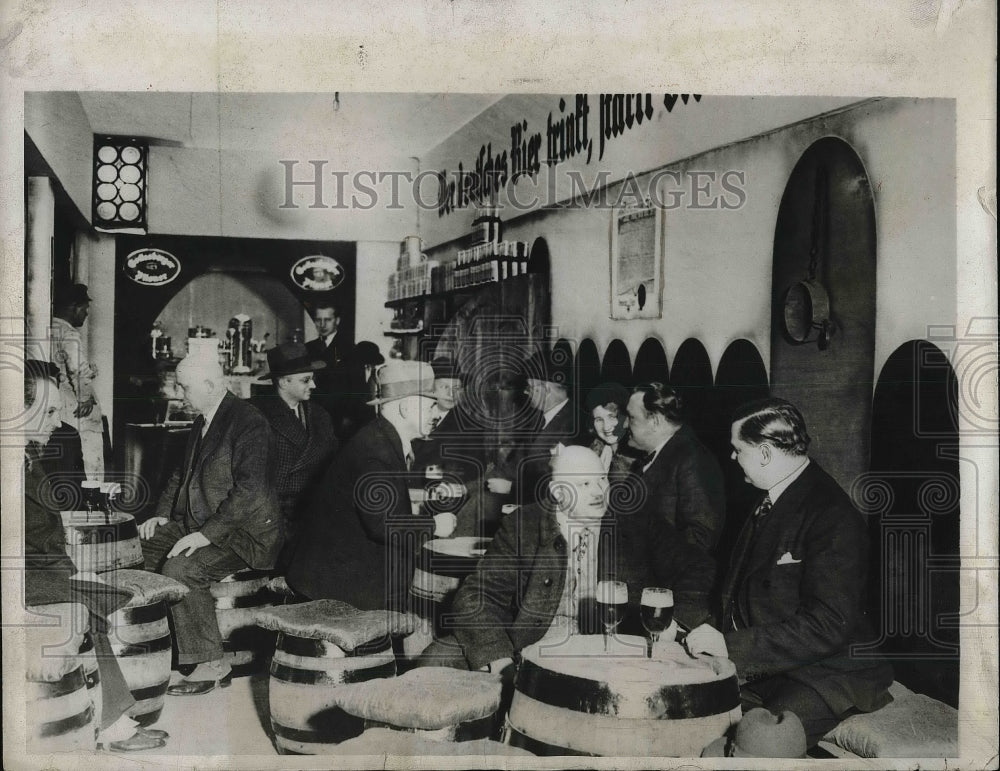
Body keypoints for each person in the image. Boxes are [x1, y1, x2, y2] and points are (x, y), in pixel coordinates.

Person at [684, 398, 893, 748]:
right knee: (688, 715)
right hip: (772, 665)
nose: (733, 458)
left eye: (738, 450)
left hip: (826, 672)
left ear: (765, 453)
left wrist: (730, 645)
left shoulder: (832, 515)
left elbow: (829, 624)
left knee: (759, 743)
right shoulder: (769, 497)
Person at [21, 359, 169, 751]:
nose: (58, 422)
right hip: (18, 578)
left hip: (34, 570)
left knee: (92, 597)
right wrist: (71, 576)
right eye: (49, 411)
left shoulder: (26, 455)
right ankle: (115, 725)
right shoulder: (13, 462)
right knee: (90, 597)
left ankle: (113, 722)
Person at [424, 445, 659, 672]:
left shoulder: (633, 522)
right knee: (437, 658)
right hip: (534, 649)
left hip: (610, 651)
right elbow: (476, 596)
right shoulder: (523, 524)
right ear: (558, 492)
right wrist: (499, 659)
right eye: (585, 483)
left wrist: (678, 625)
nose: (598, 492)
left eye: (602, 479)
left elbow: (692, 566)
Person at [138, 354, 280, 695]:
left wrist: (204, 535)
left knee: (180, 570)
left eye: (185, 387)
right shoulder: (203, 420)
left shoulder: (249, 423)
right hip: (198, 523)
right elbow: (180, 475)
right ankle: (164, 643)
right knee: (137, 547)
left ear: (211, 385)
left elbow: (251, 491)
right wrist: (161, 513)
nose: (180, 394)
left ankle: (210, 664)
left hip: (243, 534)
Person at [286, 360, 454, 611]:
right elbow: (380, 525)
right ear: (407, 407)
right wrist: (434, 525)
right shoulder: (375, 452)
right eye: (431, 405)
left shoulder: (381, 438)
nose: (436, 414)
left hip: (342, 569)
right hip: (335, 584)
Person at [622, 382, 725, 627]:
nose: (625, 425)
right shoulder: (656, 457)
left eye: (631, 417)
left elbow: (700, 538)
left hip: (668, 602)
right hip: (645, 594)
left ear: (655, 420)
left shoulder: (692, 458)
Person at [252, 341, 338, 548]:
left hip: (315, 509)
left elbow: (335, 463)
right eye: (306, 380)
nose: (314, 386)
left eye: (313, 379)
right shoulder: (256, 416)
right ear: (283, 382)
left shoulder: (320, 415)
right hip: (271, 518)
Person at [489, 347, 584, 505]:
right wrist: (467, 488)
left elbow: (564, 487)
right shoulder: (536, 420)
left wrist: (512, 488)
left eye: (530, 388)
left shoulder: (576, 426)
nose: (527, 393)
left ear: (546, 390)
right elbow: (511, 467)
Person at [50, 282, 104, 480]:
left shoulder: (44, 328)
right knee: (91, 466)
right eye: (85, 308)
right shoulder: (69, 333)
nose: (86, 314)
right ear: (74, 307)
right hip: (77, 410)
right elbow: (77, 368)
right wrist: (85, 397)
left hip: (58, 407)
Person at [329, 340, 384, 441]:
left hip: (356, 418)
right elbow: (346, 397)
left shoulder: (363, 368)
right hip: (347, 419)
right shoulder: (348, 368)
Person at [585, 381, 641, 479]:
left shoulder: (638, 460)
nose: (606, 427)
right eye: (599, 419)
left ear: (627, 418)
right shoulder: (592, 450)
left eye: (612, 417)